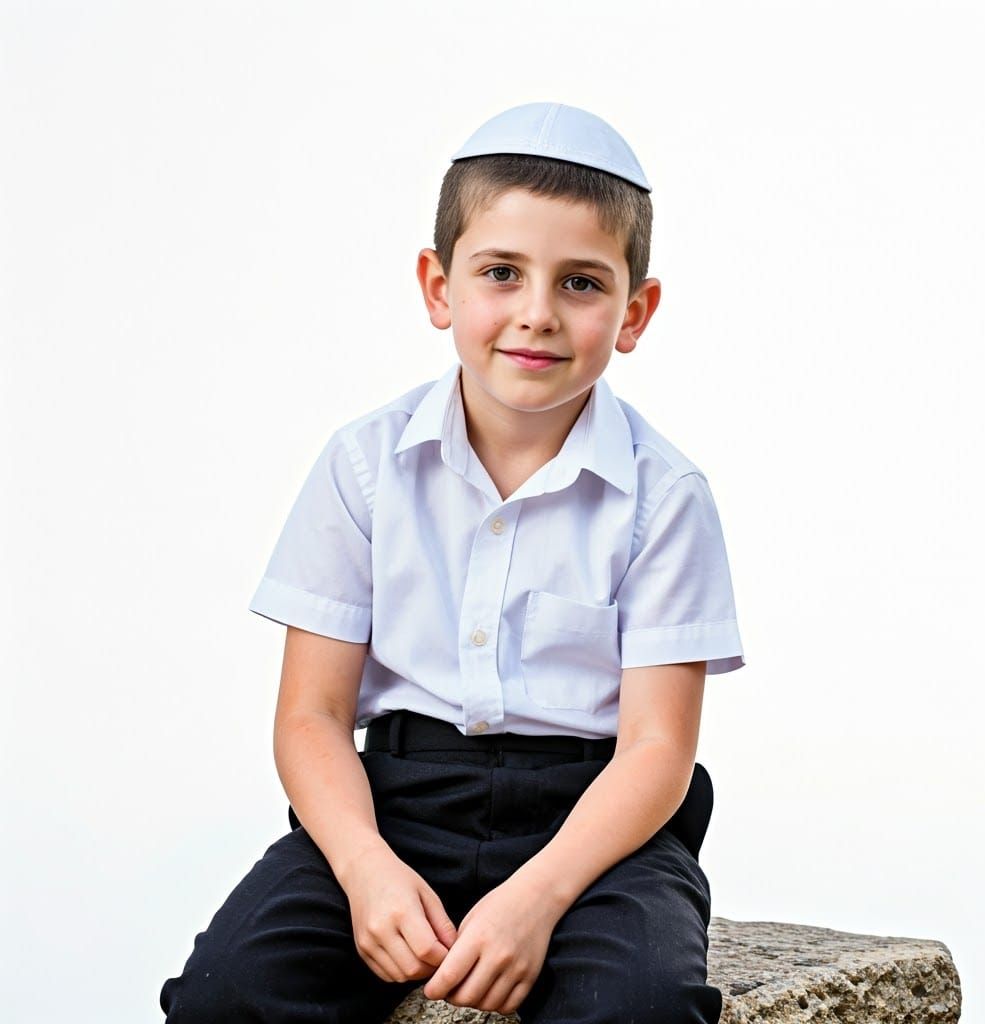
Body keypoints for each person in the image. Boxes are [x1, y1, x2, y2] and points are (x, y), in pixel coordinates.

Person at [159, 101, 746, 1024]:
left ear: (636, 311)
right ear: (438, 288)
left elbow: (659, 748)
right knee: (228, 995)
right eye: (501, 273)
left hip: (596, 830)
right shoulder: (363, 466)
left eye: (582, 283)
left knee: (640, 1005)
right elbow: (310, 716)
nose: (537, 314)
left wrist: (539, 898)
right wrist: (363, 869)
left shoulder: (664, 497)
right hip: (392, 808)